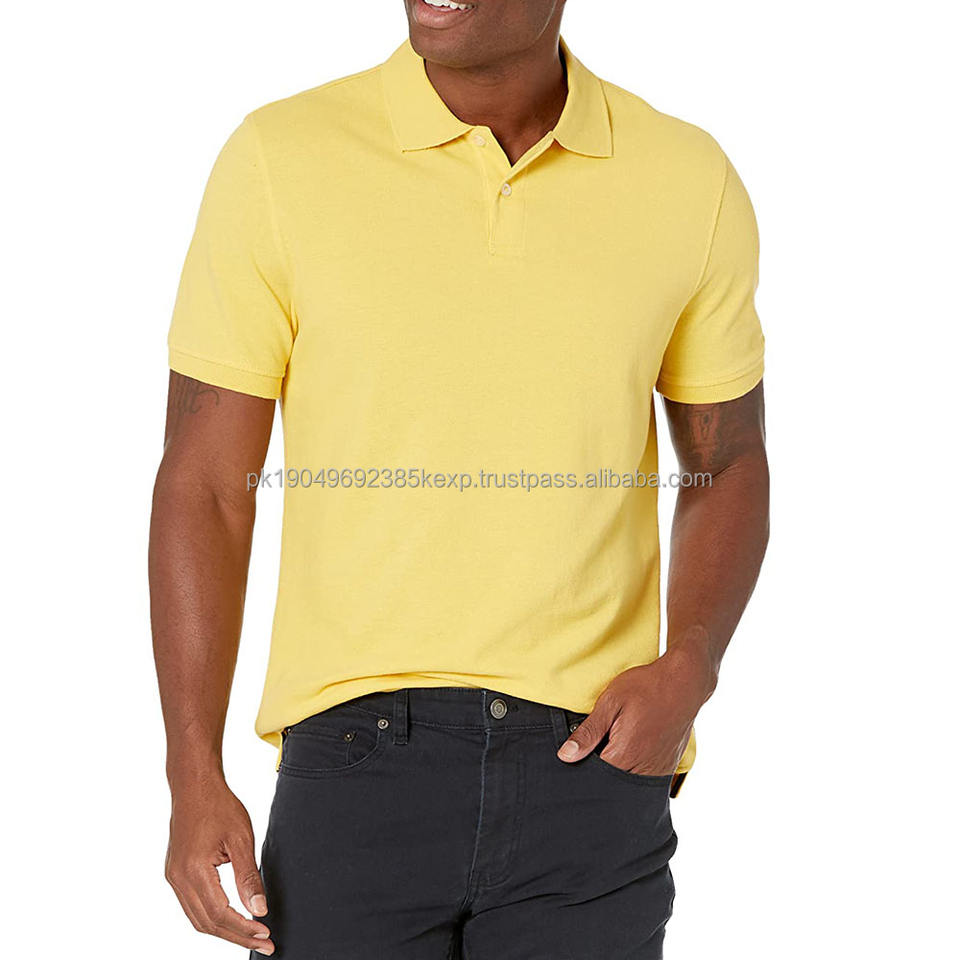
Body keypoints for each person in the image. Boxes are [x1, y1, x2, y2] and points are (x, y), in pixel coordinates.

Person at [149, 1, 769, 957]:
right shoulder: (282, 157)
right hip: (355, 768)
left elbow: (727, 462)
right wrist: (192, 771)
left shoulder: (689, 177)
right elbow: (204, 483)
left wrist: (690, 666)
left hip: (592, 769)